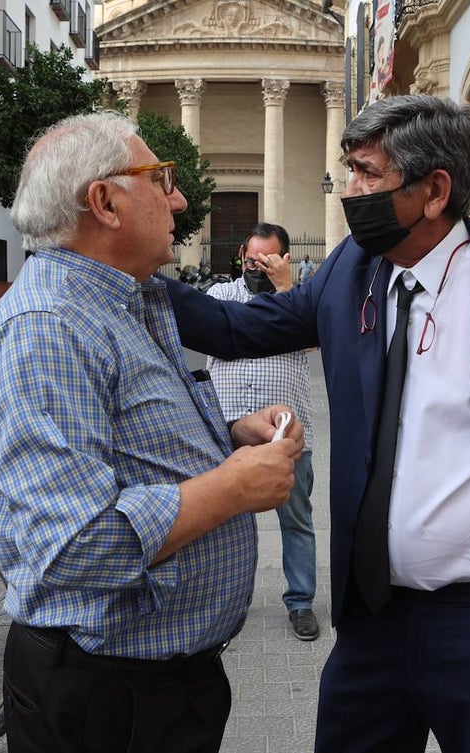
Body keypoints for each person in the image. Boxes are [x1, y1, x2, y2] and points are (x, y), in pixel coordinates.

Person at [164, 94, 470, 752]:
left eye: (367, 173)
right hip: (373, 616)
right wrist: (135, 272)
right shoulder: (351, 271)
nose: (350, 189)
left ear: (434, 192)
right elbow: (240, 326)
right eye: (349, 170)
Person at [0, 111, 304, 753]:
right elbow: (73, 550)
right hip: (105, 701)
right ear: (105, 202)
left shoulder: (128, 300)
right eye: (161, 179)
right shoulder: (47, 330)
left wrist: (229, 434)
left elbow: (121, 437)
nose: (178, 199)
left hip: (157, 688)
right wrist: (232, 489)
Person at [206, 223, 320, 641]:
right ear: (241, 256)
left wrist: (286, 289)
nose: (256, 267)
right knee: (218, 518)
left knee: (297, 520)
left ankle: (301, 602)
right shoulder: (220, 296)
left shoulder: (302, 301)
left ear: (285, 259)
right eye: (251, 260)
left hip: (286, 435)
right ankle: (217, 603)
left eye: (266, 260)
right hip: (227, 430)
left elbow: (313, 339)